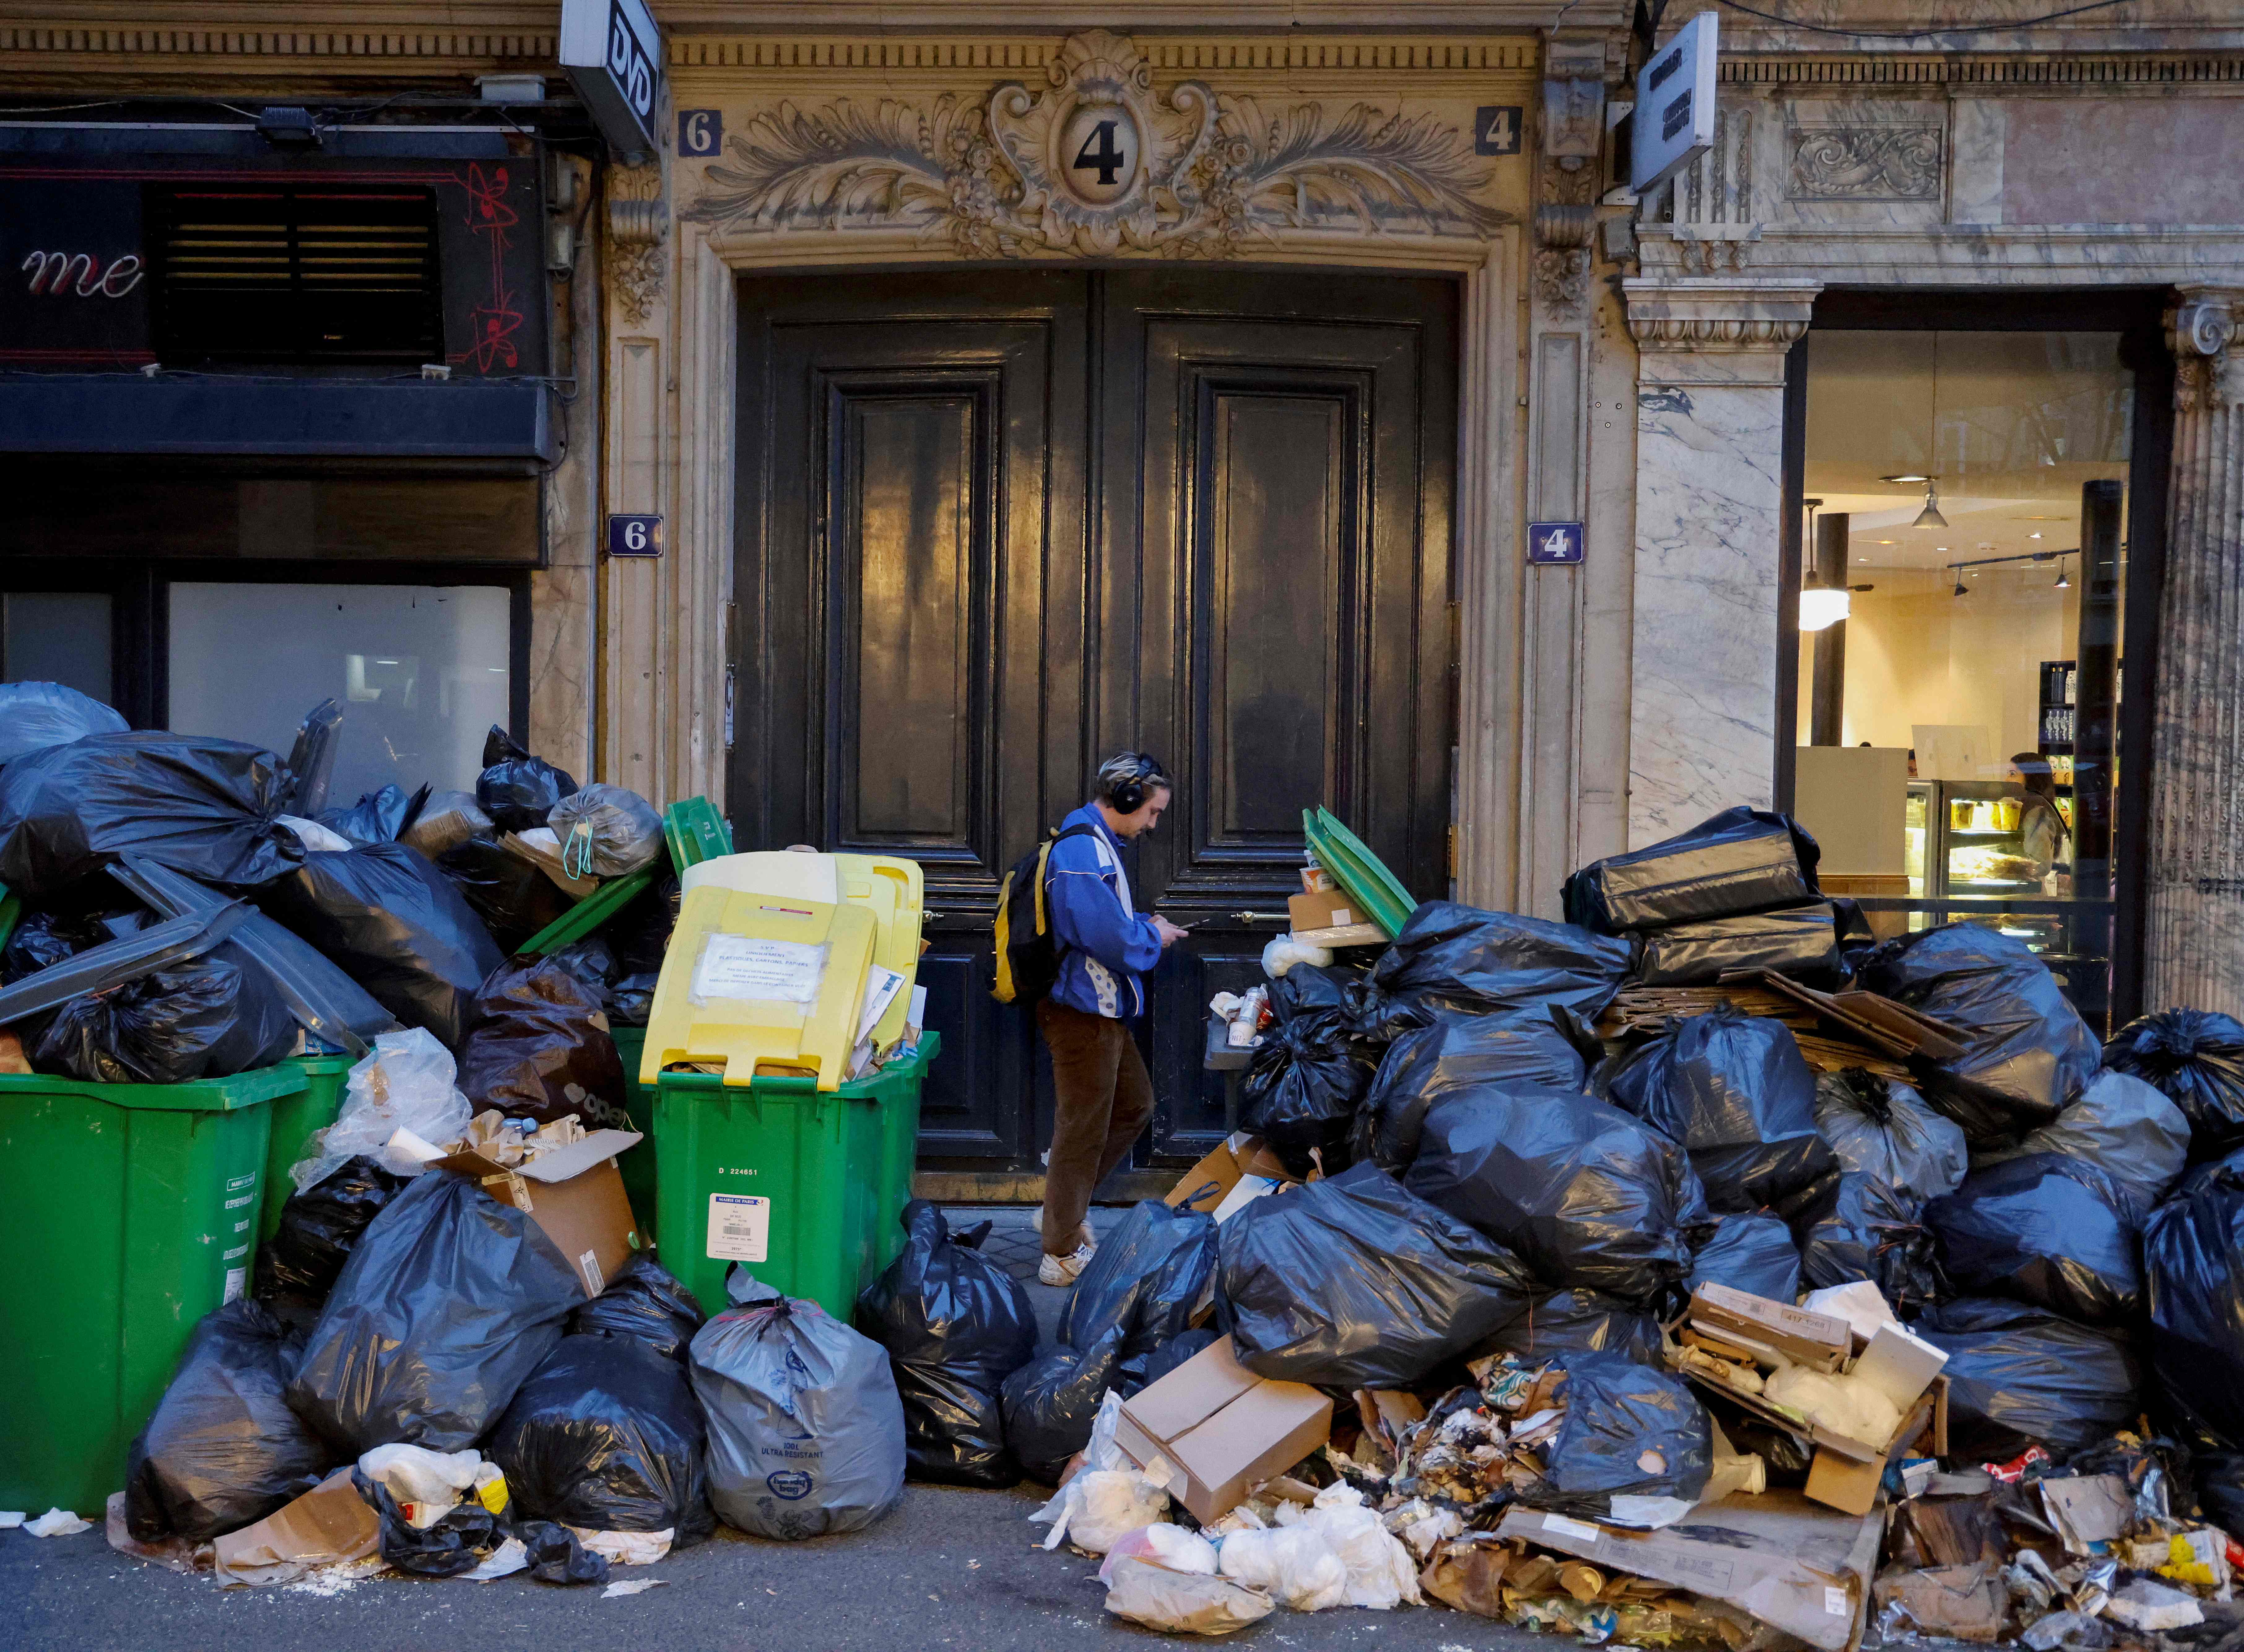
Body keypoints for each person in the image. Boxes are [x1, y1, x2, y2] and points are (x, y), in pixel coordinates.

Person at [1032, 753, 1189, 1285]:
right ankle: (1059, 1252)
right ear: (1124, 800)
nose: (1152, 824)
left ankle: (1061, 1206)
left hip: (1100, 1011)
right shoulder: (1081, 850)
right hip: (1082, 1013)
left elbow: (1103, 924)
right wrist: (1154, 936)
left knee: (1133, 1105)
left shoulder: (1094, 846)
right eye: (1151, 812)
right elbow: (1108, 940)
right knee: (1082, 1133)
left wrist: (1144, 922)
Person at [2007, 751, 2070, 891]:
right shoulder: (2023, 810)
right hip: (2022, 892)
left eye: (2012, 774)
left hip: (2028, 895)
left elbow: (2040, 865)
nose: (2007, 780)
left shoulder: (2038, 814)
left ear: (2031, 779)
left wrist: (2004, 861)